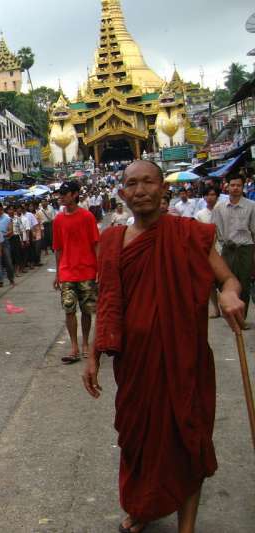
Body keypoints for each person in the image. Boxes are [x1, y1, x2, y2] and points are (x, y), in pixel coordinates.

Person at [84, 160, 245, 533]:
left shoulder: (189, 234)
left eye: (148, 182)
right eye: (131, 184)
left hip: (183, 359)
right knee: (138, 441)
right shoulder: (111, 242)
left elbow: (229, 279)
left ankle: (186, 526)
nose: (140, 190)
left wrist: (230, 295)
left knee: (188, 439)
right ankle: (143, 506)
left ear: (163, 189)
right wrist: (92, 356)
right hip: (135, 366)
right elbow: (107, 303)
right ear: (121, 192)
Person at [53, 181, 99, 365]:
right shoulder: (58, 220)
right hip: (67, 271)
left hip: (87, 270)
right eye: (60, 194)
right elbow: (58, 248)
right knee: (69, 309)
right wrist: (57, 273)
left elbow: (96, 243)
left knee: (87, 310)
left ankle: (86, 343)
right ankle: (74, 346)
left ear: (75, 194)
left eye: (64, 193)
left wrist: (99, 269)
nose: (61, 197)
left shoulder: (87, 217)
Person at [212, 172, 255, 323]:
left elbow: (254, 231)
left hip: (245, 248)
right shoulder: (219, 207)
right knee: (224, 282)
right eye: (233, 185)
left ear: (243, 187)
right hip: (227, 249)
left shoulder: (251, 206)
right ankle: (230, 314)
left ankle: (241, 318)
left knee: (243, 283)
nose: (236, 188)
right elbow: (214, 231)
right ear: (227, 186)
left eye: (239, 185)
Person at [196, 187, 222, 319]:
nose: (211, 197)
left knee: (224, 279)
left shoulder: (223, 210)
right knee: (211, 281)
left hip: (223, 248)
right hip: (207, 250)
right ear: (204, 197)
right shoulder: (200, 214)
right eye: (208, 195)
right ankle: (216, 308)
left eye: (213, 194)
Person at [0, 203, 15, 287]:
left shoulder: (7, 218)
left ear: (0, 208)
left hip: (5, 241)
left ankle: (11, 278)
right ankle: (0, 280)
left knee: (8, 261)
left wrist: (2, 235)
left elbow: (11, 231)